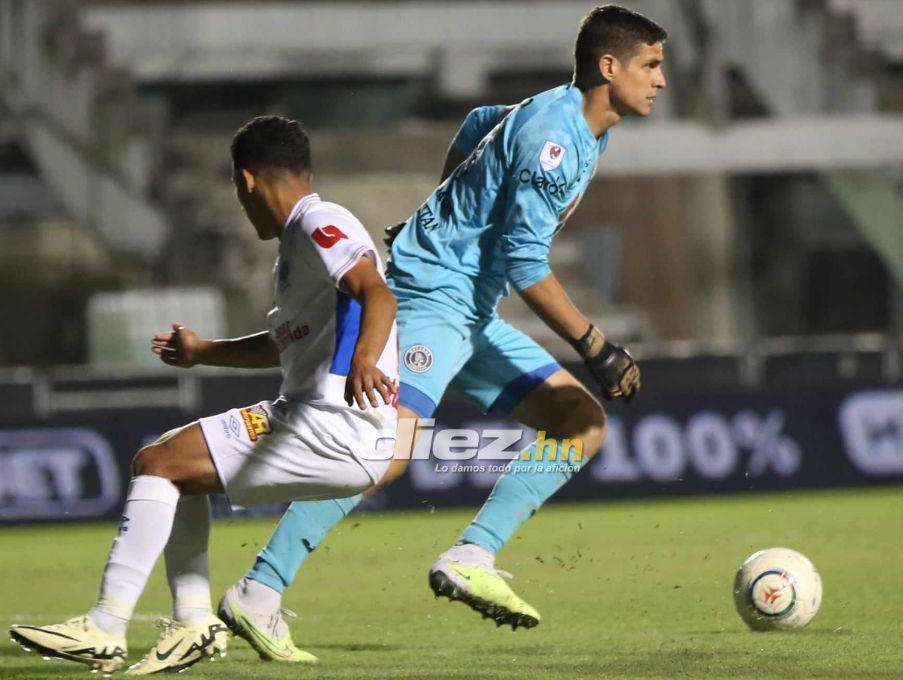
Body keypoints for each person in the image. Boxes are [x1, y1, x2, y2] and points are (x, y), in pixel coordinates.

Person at [223, 3, 665, 659]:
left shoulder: (570, 121)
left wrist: (442, 210)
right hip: (432, 300)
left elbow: (479, 125)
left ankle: (471, 555)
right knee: (383, 452)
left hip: (466, 308)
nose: (660, 80)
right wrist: (595, 344)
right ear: (609, 66)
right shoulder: (556, 138)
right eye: (651, 65)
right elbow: (523, 263)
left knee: (580, 421)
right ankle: (258, 590)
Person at [8, 115, 401, 674]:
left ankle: (105, 627)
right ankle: (191, 622)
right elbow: (281, 345)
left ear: (246, 181)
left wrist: (364, 359)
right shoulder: (298, 245)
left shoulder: (319, 221)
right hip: (324, 423)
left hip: (334, 423)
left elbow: (375, 293)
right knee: (175, 461)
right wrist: (202, 350)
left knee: (156, 462)